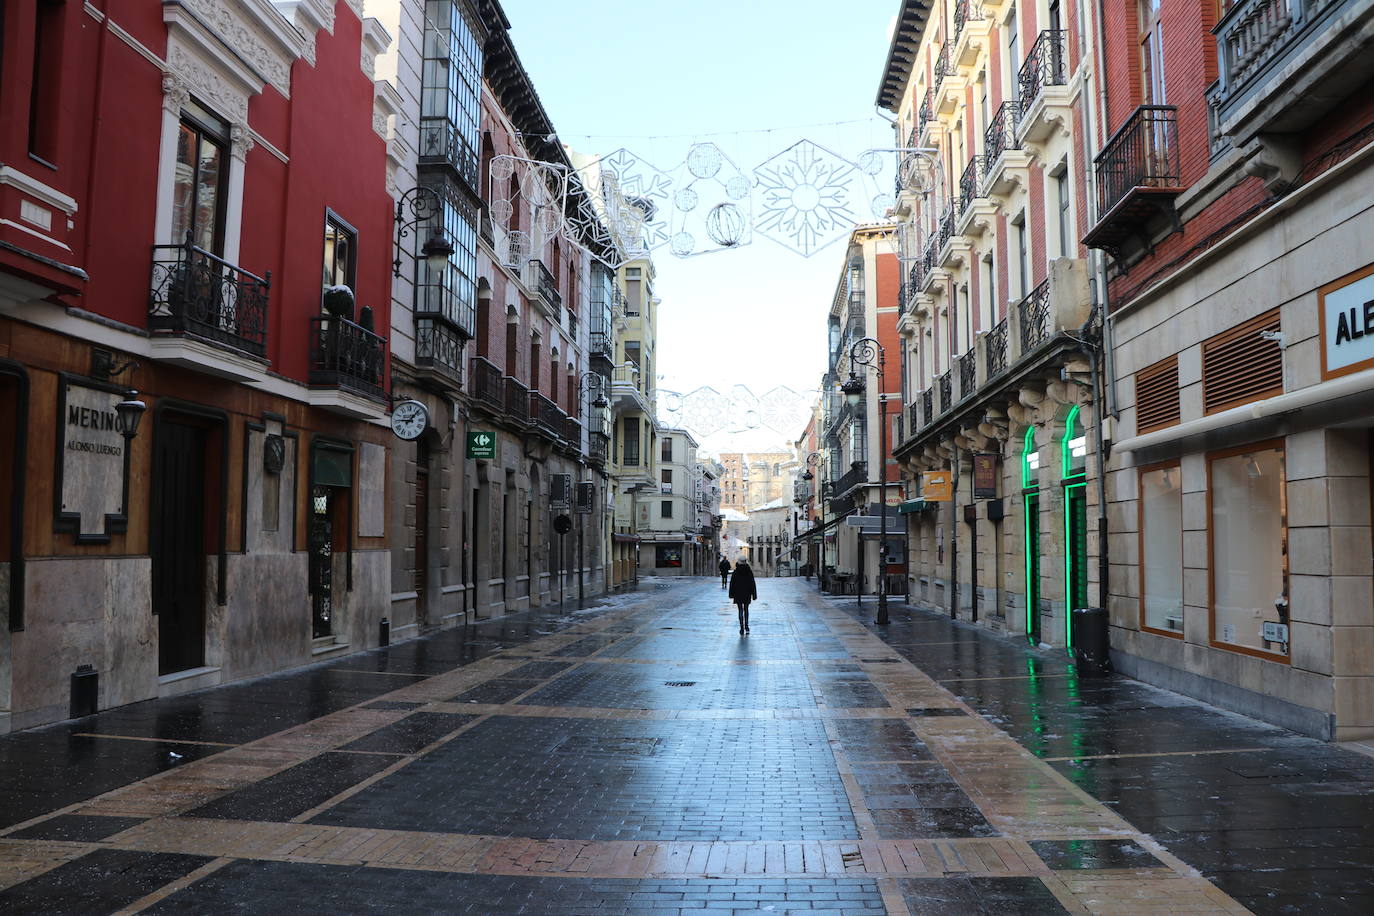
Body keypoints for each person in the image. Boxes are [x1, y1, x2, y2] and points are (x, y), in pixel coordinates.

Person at [729, 559, 758, 635]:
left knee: (740, 610)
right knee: (746, 609)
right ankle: (747, 626)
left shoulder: (735, 572)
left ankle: (741, 627)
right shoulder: (749, 571)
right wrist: (754, 595)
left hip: (738, 594)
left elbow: (732, 584)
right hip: (747, 593)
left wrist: (731, 594)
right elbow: (752, 583)